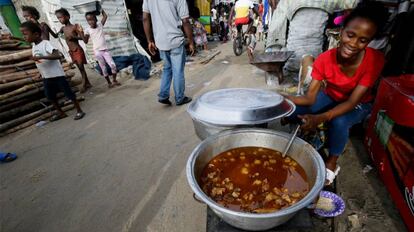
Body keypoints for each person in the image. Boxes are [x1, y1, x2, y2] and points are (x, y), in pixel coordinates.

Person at [283, 2, 388, 185]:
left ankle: (332, 161)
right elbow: (310, 98)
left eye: (363, 40)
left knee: (339, 122)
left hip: (358, 103)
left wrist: (320, 118)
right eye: (350, 35)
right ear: (341, 31)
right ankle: (294, 119)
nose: (354, 44)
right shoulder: (324, 59)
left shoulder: (374, 61)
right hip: (332, 95)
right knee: (292, 109)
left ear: (369, 41)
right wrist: (284, 99)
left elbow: (351, 102)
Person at [266, 0, 359, 81]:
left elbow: (277, 26)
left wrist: (273, 49)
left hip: (295, 61)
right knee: (310, 64)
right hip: (313, 60)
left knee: (298, 63)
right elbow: (354, 4)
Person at [20, 21, 85, 121]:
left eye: (25, 34)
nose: (24, 37)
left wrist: (42, 56)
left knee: (69, 94)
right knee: (50, 96)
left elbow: (57, 55)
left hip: (57, 76)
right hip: (46, 77)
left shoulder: (45, 44)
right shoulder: (34, 46)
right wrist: (39, 73)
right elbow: (40, 62)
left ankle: (79, 110)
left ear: (36, 34)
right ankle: (61, 112)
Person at [143, 0, 194, 106]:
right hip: (175, 40)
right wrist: (191, 42)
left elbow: (145, 18)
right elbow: (185, 20)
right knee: (178, 70)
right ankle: (180, 98)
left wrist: (149, 41)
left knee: (167, 68)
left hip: (160, 41)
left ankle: (163, 95)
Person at [80, 10, 120, 89]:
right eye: (88, 20)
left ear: (96, 19)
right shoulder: (87, 30)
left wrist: (100, 8)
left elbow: (105, 16)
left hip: (105, 50)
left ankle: (114, 80)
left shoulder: (100, 24)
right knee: (103, 68)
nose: (90, 21)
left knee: (113, 65)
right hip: (97, 52)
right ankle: (109, 82)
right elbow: (85, 41)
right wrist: (81, 32)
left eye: (92, 19)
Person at [55, 8, 91, 93]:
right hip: (71, 51)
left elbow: (84, 39)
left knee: (81, 67)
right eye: (58, 18)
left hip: (77, 49)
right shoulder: (63, 29)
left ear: (67, 17)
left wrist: (74, 37)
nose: (60, 20)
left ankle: (84, 84)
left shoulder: (75, 26)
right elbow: (57, 36)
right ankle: (87, 83)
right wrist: (48, 29)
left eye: (61, 17)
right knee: (80, 68)